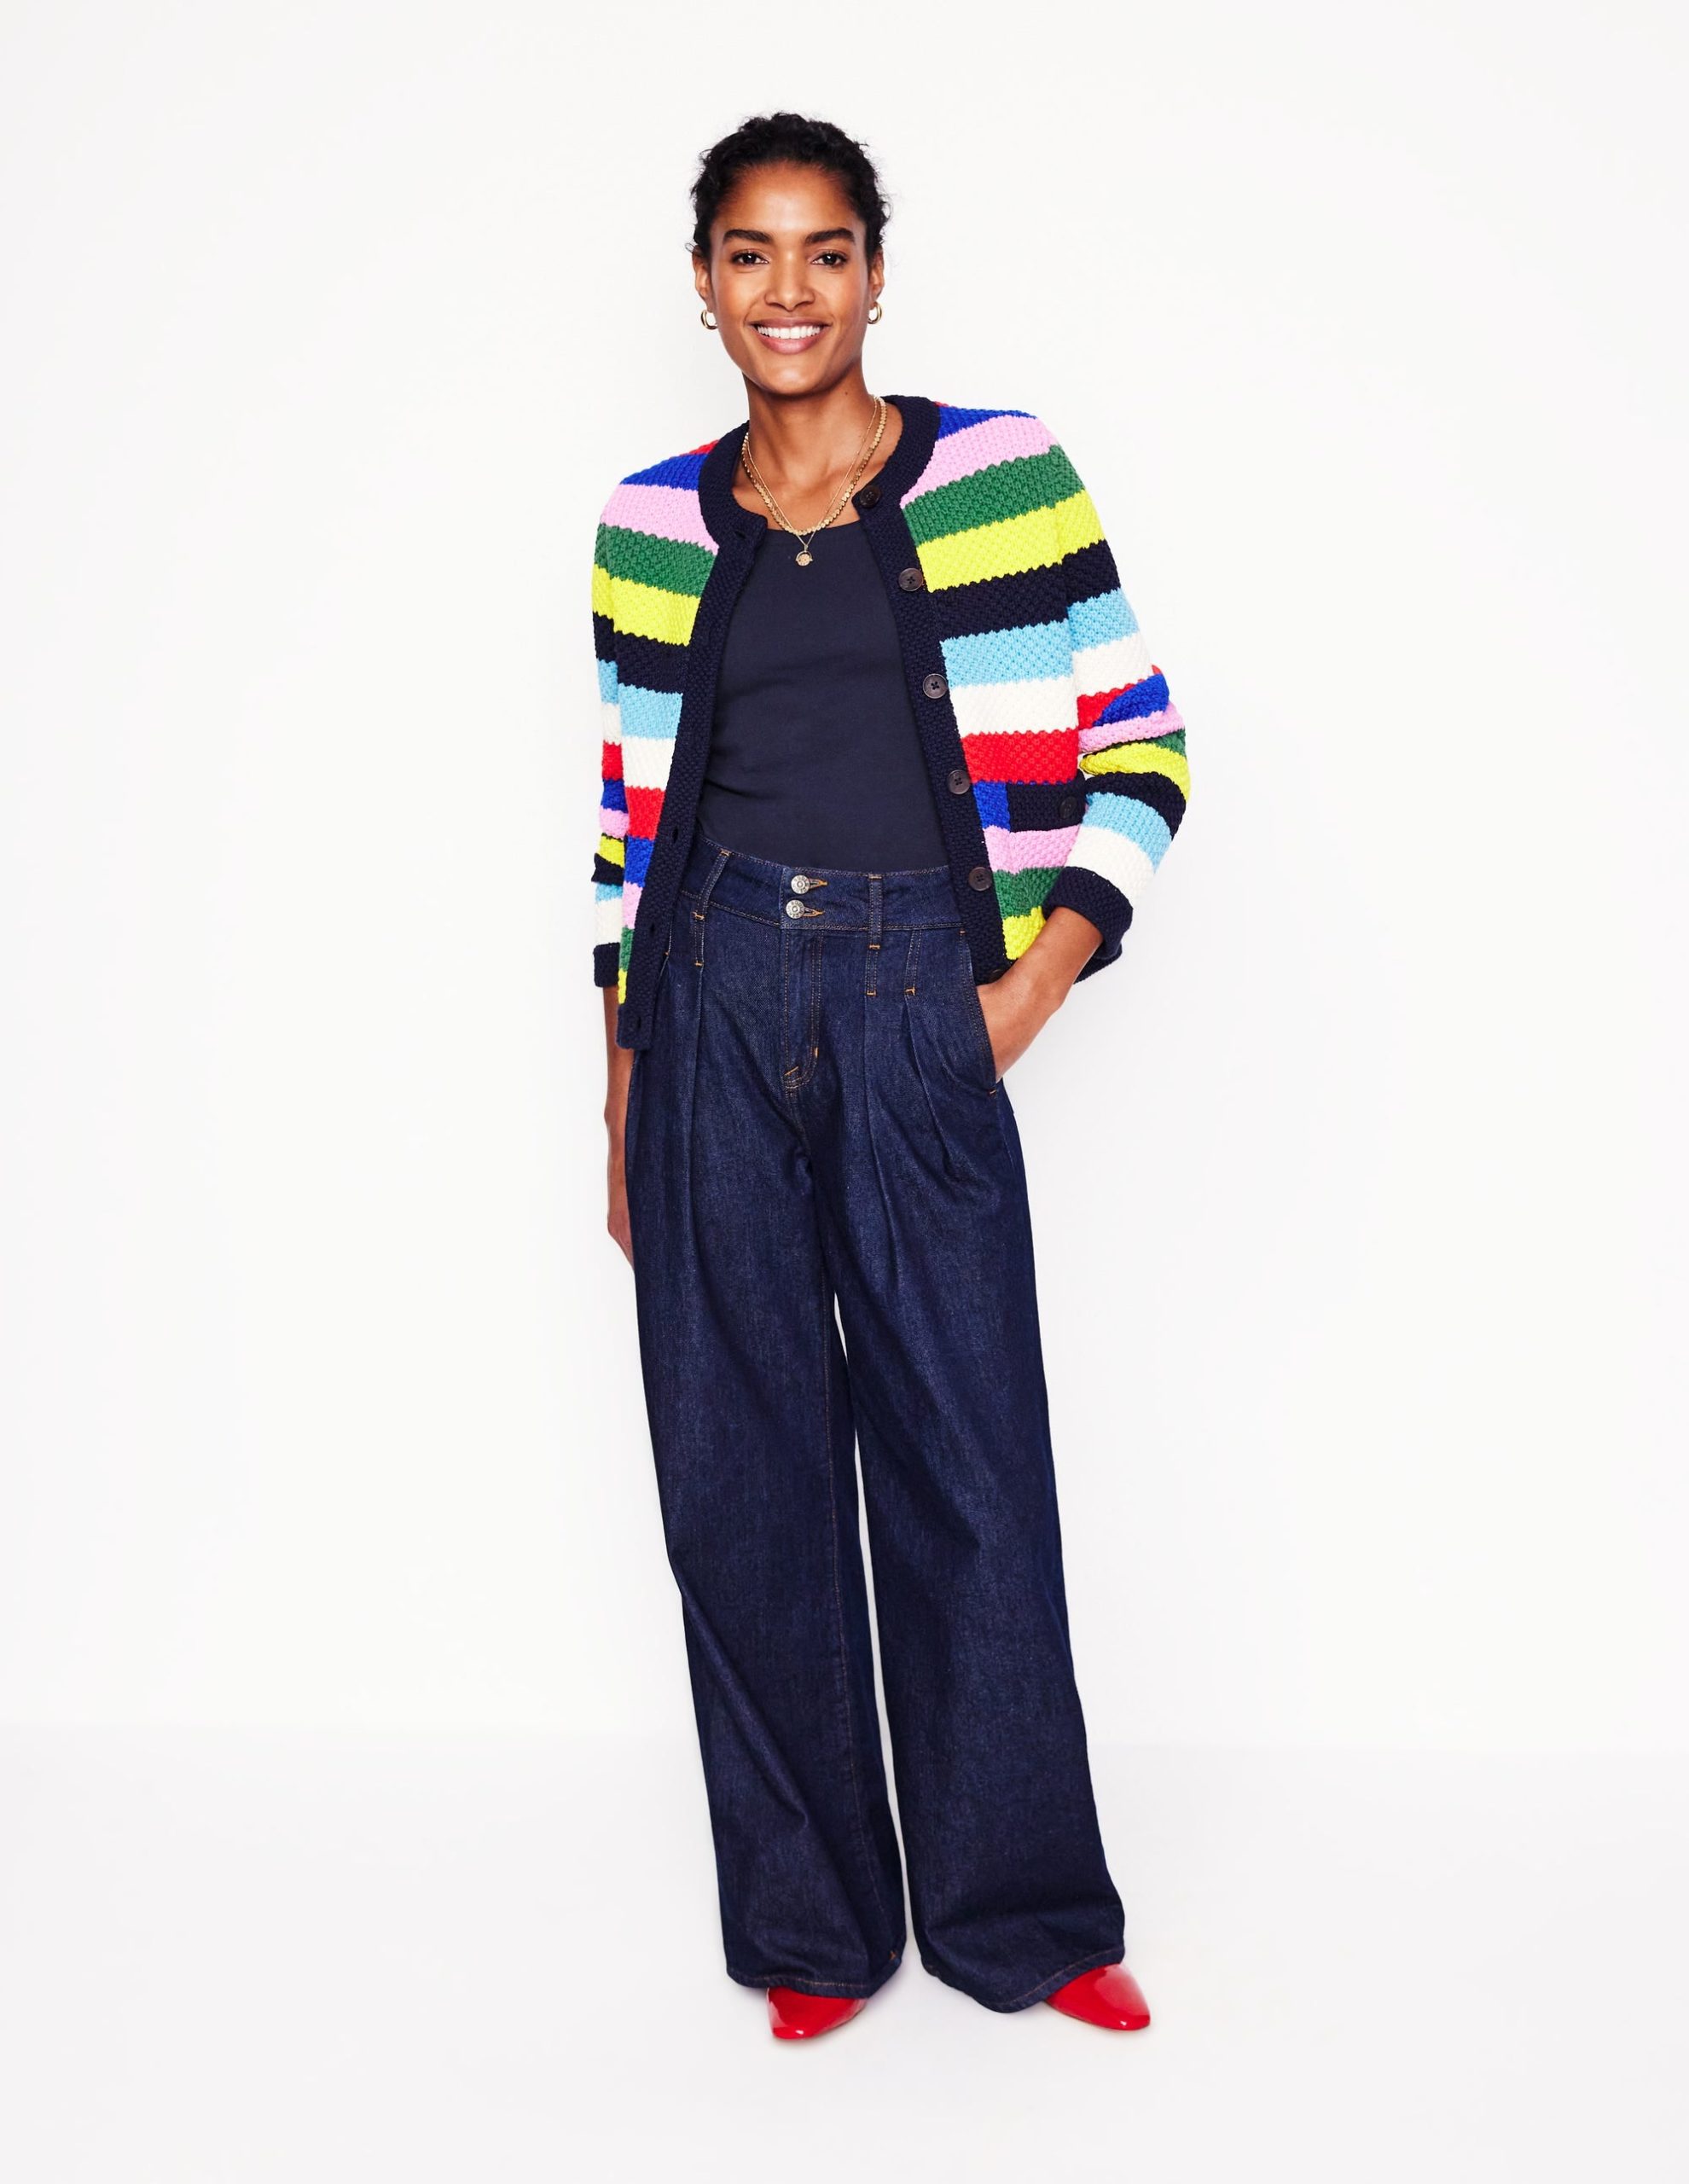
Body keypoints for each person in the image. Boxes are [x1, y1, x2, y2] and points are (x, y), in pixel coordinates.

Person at [589, 113, 1188, 2040]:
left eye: (826, 251)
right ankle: (814, 1929)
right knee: (738, 1473)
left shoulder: (1004, 472)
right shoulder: (646, 524)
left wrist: (1027, 990)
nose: (790, 290)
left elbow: (1145, 749)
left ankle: (1025, 1918)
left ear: (873, 274)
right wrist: (622, 1090)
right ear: (703, 283)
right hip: (704, 1001)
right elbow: (625, 829)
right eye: (751, 253)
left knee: (969, 1457)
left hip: (927, 988)